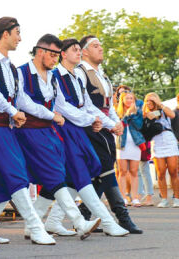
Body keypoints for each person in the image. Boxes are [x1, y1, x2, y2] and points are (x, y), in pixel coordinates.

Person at [0, 17, 55, 246]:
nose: (20, 38)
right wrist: (12, 110)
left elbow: (23, 100)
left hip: (5, 128)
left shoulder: (12, 67)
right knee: (17, 175)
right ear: (4, 34)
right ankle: (35, 227)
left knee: (3, 182)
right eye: (17, 33)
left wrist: (49, 115)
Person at [15, 34, 100, 240]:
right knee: (50, 176)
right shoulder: (21, 72)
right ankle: (79, 222)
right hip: (28, 131)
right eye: (53, 55)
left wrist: (57, 115)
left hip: (47, 131)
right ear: (41, 51)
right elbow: (23, 102)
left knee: (54, 176)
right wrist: (52, 115)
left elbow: (58, 101)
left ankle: (32, 224)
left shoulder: (52, 77)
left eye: (57, 55)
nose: (56, 60)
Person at [46, 38, 129, 237]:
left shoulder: (76, 77)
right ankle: (107, 222)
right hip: (65, 129)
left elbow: (87, 105)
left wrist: (108, 123)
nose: (78, 53)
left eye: (78, 50)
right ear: (63, 54)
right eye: (74, 50)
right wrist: (89, 120)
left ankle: (52, 220)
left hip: (79, 130)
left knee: (75, 176)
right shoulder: (55, 75)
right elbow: (63, 107)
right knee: (81, 174)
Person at [75, 36, 141, 234]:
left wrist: (117, 123)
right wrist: (111, 124)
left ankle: (85, 215)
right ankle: (122, 217)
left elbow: (108, 105)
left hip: (105, 127)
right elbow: (87, 106)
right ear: (84, 51)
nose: (101, 49)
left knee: (98, 175)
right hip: (91, 127)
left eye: (100, 45)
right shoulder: (80, 73)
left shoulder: (102, 75)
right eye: (95, 46)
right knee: (106, 172)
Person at [143, 92, 179, 207]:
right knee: (160, 172)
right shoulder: (145, 113)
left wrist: (160, 104)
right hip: (156, 141)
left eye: (152, 101)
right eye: (147, 101)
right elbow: (147, 117)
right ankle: (164, 198)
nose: (149, 103)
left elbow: (173, 115)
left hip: (168, 138)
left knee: (173, 170)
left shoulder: (164, 109)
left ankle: (177, 198)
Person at [116, 92, 145, 207]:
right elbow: (118, 123)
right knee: (122, 171)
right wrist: (126, 114)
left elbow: (139, 126)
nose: (129, 100)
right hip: (122, 144)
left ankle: (135, 197)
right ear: (122, 100)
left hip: (135, 143)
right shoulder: (117, 112)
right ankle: (123, 197)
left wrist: (132, 114)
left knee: (134, 171)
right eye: (127, 98)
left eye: (131, 98)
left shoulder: (138, 112)